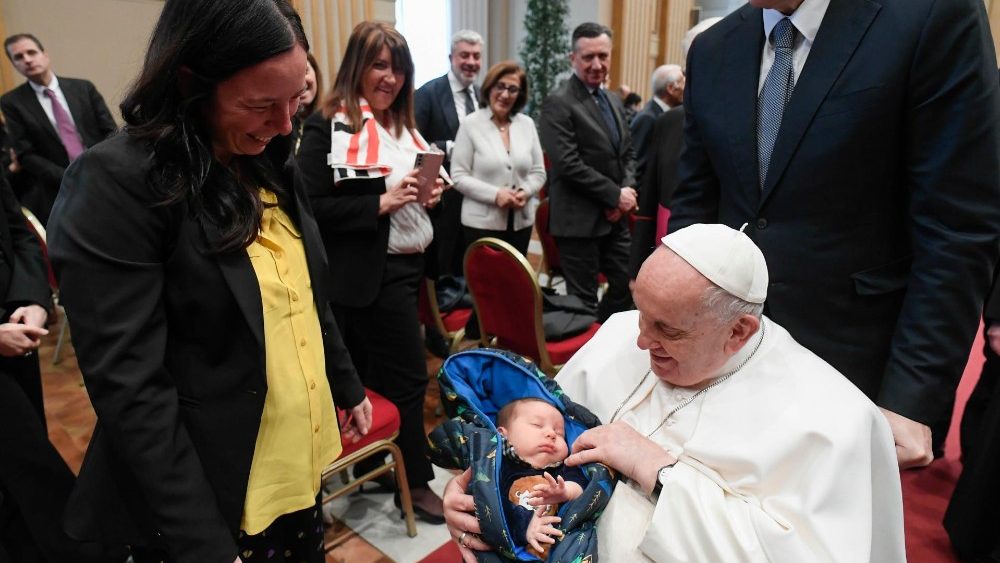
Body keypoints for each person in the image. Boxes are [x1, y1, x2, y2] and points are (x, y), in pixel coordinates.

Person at [47, 2, 373, 562]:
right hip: (208, 492)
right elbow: (133, 392)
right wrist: (204, 545)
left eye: (294, 102)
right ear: (190, 83)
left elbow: (303, 291)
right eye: (260, 105)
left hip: (290, 466)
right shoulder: (118, 183)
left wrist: (344, 380)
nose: (284, 126)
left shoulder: (267, 156)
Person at [444, 223, 905, 562]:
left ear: (738, 332)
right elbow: (524, 441)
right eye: (641, 312)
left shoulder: (832, 421)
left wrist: (656, 469)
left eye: (667, 330)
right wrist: (468, 495)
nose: (640, 340)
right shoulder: (623, 332)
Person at [670, 0, 1000, 467]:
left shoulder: (931, 16)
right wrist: (670, 329)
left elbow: (955, 227)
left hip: (853, 371)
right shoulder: (713, 46)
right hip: (723, 363)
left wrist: (911, 396)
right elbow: (695, 210)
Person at [296, 20, 447, 524]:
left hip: (409, 267)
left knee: (385, 374)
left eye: (399, 68)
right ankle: (417, 481)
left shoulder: (404, 127)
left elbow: (412, 202)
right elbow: (311, 210)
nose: (391, 78)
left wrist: (430, 194)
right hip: (369, 275)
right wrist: (380, 203)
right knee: (406, 376)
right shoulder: (329, 124)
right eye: (380, 65)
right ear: (357, 66)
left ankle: (387, 463)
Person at [538, 22, 637, 322]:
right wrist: (614, 196)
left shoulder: (614, 101)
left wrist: (626, 193)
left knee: (625, 287)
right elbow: (567, 165)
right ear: (573, 59)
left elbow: (628, 154)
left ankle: (604, 343)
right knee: (582, 303)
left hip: (615, 219)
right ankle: (580, 362)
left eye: (603, 56)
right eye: (588, 57)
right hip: (579, 222)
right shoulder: (558, 102)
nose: (597, 65)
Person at [1, 33, 116, 225]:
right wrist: (69, 177)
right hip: (59, 190)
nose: (27, 60)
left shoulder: (83, 88)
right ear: (13, 64)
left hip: (103, 177)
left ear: (45, 55)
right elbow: (25, 154)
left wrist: (101, 169)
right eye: (18, 57)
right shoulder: (12, 102)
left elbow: (110, 132)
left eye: (31, 52)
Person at [450, 61, 545, 258]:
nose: (504, 94)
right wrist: (496, 194)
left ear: (519, 94)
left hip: (521, 222)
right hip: (480, 225)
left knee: (515, 283)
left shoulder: (526, 124)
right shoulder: (471, 124)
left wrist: (525, 192)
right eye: (500, 86)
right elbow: (458, 176)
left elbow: (538, 172)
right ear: (489, 86)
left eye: (512, 89)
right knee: (484, 286)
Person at [415, 29, 483, 278]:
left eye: (477, 56)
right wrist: (453, 147)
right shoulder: (428, 94)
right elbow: (414, 144)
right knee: (444, 270)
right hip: (442, 200)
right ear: (451, 57)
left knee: (472, 266)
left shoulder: (483, 95)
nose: (471, 62)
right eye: (464, 55)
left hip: (477, 199)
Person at [495, 398, 585, 558]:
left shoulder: (563, 468)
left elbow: (581, 486)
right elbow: (494, 506)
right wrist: (525, 524)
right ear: (503, 435)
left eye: (559, 433)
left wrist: (566, 491)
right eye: (537, 425)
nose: (551, 434)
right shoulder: (498, 467)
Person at [629, 64, 684, 181]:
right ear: (671, 89)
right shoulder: (648, 118)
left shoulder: (663, 115)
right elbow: (637, 165)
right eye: (683, 82)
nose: (686, 88)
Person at [290, 52, 322, 155]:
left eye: (305, 72)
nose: (301, 83)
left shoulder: (332, 120)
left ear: (315, 72)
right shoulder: (277, 130)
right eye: (292, 76)